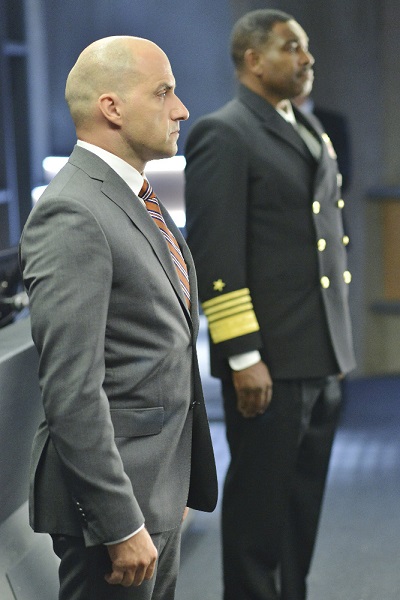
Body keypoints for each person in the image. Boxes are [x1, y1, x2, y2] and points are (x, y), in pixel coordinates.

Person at [19, 35, 217, 600]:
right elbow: (71, 390)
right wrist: (120, 522)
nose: (181, 109)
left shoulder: (131, 194)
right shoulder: (73, 210)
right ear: (112, 108)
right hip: (114, 507)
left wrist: (174, 481)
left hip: (154, 485)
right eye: (163, 93)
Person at [184, 9, 355, 600]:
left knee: (300, 516)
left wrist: (336, 346)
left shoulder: (306, 127)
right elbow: (217, 255)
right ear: (254, 60)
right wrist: (242, 356)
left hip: (316, 357)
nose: (307, 59)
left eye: (306, 48)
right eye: (292, 47)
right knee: (258, 520)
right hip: (269, 363)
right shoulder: (225, 133)